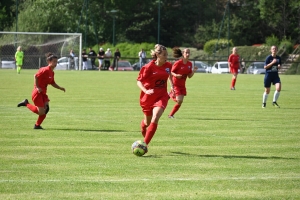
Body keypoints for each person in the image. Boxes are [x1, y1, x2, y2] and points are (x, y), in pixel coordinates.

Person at [17, 52, 66, 129]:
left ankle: (37, 125)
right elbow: (36, 76)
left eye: (56, 62)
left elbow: (52, 83)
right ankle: (26, 103)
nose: (55, 63)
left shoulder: (52, 72)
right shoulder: (45, 69)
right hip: (37, 93)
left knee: (46, 110)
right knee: (41, 112)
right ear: (49, 62)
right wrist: (37, 87)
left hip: (43, 93)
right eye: (54, 62)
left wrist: (60, 88)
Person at [137, 44, 173, 147]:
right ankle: (143, 126)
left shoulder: (168, 66)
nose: (166, 57)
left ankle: (144, 145)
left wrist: (172, 86)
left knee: (156, 117)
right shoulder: (148, 67)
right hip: (148, 97)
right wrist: (145, 90)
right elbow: (139, 81)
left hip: (161, 96)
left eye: (167, 55)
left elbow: (170, 75)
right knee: (147, 123)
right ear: (157, 55)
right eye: (164, 55)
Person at [168, 48, 198, 118]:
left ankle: (171, 115)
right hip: (176, 84)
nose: (187, 54)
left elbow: (189, 76)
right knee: (179, 100)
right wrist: (176, 75)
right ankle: (170, 94)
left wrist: (193, 71)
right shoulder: (178, 63)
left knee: (180, 102)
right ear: (183, 53)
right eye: (186, 53)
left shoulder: (189, 64)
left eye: (188, 53)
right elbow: (170, 72)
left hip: (182, 85)